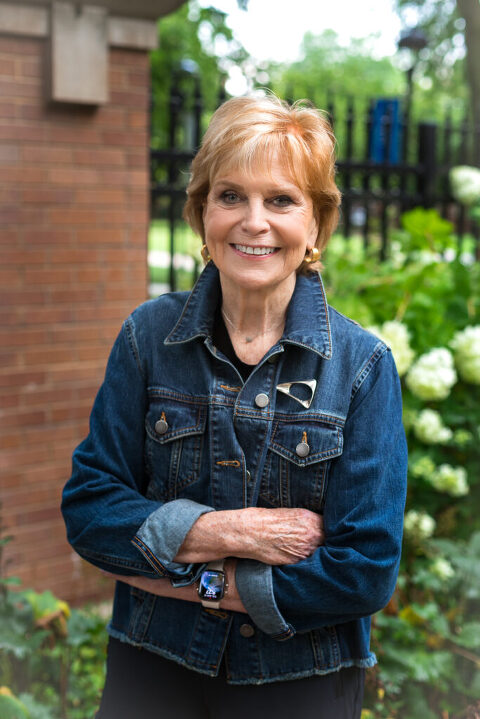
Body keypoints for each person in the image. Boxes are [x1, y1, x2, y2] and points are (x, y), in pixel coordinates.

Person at [61, 94, 407, 719]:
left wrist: (181, 572)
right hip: (152, 669)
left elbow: (363, 571)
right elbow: (91, 511)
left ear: (316, 225)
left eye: (281, 200)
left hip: (302, 681)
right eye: (230, 196)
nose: (254, 221)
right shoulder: (148, 338)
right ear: (202, 214)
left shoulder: (362, 365)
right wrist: (234, 533)